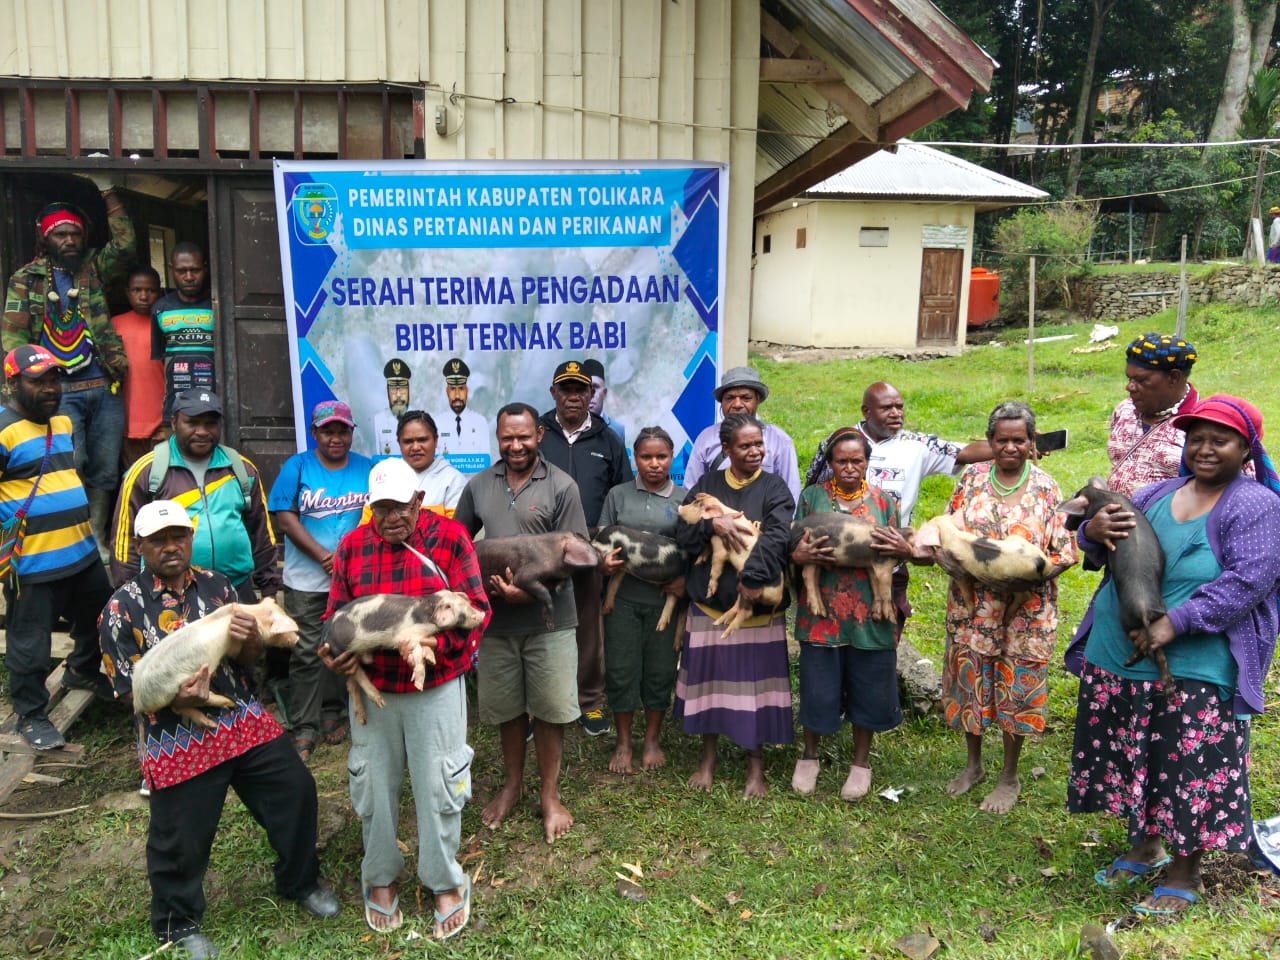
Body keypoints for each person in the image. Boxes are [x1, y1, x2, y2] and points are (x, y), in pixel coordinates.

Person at [1066, 394, 1280, 918]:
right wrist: (1090, 533)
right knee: (1137, 751)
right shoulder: (1156, 492)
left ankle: (1185, 871)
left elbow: (1250, 581)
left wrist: (1174, 623)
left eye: (1219, 440)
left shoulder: (1257, 505)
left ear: (1246, 448)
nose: (1204, 449)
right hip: (1121, 653)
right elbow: (1111, 552)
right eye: (1196, 438)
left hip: (1198, 659)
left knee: (1189, 763)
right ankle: (1146, 845)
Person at [98, 499, 339, 958]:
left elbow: (248, 659)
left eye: (178, 536)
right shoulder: (121, 608)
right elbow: (127, 691)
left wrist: (251, 644)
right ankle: (177, 924)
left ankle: (300, 882)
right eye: (158, 540)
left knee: (295, 790)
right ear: (140, 546)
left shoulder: (218, 586)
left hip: (239, 717)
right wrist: (179, 699)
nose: (171, 546)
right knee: (179, 836)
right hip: (174, 735)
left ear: (191, 538)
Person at [320, 458, 489, 940]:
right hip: (375, 690)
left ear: (419, 500)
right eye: (382, 509)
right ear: (370, 507)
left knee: (439, 785)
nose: (392, 518)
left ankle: (444, 880)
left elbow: (478, 611)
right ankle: (380, 875)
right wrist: (336, 655)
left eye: (401, 507)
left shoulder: (450, 538)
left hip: (435, 686)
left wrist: (431, 649)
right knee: (373, 784)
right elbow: (334, 617)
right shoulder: (353, 546)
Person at [921, 401, 1075, 815]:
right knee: (970, 679)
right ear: (989, 440)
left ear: (1032, 441)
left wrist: (1028, 577)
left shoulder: (1046, 487)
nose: (1010, 447)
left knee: (1016, 684)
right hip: (973, 605)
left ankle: (1009, 775)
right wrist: (947, 561)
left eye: (1019, 440)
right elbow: (947, 530)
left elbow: (1064, 551)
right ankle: (973, 765)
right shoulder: (972, 479)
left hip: (1027, 608)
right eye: (1001, 440)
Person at [453, 402, 588, 843]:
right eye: (507, 437)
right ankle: (512, 786)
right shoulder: (478, 485)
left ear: (539, 435)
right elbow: (458, 545)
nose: (516, 445)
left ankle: (549, 795)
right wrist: (477, 589)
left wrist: (529, 593)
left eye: (524, 437)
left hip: (550, 620)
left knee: (549, 710)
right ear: (497, 438)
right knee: (507, 709)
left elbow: (576, 555)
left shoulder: (562, 486)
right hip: (496, 623)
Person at [2, 178, 133, 556]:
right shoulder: (26, 279)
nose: (70, 241)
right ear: (46, 239)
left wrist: (107, 191)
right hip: (57, 392)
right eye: (61, 235)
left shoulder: (93, 268)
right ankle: (72, 537)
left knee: (105, 468)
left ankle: (97, 539)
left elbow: (125, 245)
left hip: (103, 386)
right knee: (70, 463)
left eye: (75, 234)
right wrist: (23, 389)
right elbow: (13, 340)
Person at [0, 345, 115, 750]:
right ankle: (31, 715)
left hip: (81, 552)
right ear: (12, 384)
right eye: (38, 381)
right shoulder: (3, 431)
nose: (50, 388)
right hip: (32, 563)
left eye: (54, 380)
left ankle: (82, 670)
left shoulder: (62, 422)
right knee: (30, 643)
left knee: (100, 619)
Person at [674, 413, 794, 798]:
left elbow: (777, 539)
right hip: (711, 607)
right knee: (710, 685)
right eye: (745, 446)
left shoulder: (775, 488)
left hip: (756, 611)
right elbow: (682, 532)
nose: (755, 451)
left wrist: (752, 579)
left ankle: (755, 766)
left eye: (759, 444)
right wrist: (711, 526)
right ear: (726, 449)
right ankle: (707, 759)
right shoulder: (707, 485)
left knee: (755, 690)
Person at [789, 427, 901, 801]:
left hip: (869, 613)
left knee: (868, 684)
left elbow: (894, 556)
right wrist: (798, 555)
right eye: (841, 461)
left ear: (867, 462)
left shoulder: (884, 502)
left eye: (857, 461)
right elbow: (795, 542)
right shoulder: (812, 498)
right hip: (821, 611)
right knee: (817, 685)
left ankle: (861, 763)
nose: (849, 467)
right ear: (831, 463)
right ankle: (809, 755)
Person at [831, 382, 991, 641]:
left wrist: (1019, 445)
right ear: (866, 411)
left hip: (890, 560)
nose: (896, 413)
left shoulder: (916, 445)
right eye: (887, 408)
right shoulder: (841, 443)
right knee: (838, 636)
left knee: (883, 637)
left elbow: (964, 452)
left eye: (899, 407)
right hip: (841, 562)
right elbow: (814, 493)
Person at [267, 400, 372, 761]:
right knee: (308, 650)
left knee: (343, 644)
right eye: (328, 431)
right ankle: (305, 724)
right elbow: (285, 517)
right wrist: (324, 557)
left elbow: (377, 516)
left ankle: (334, 711)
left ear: (351, 433)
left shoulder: (366, 468)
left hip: (353, 579)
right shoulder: (297, 467)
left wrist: (347, 561)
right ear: (314, 433)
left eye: (342, 430)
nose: (335, 438)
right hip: (307, 580)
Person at [110, 389, 280, 604]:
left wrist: (269, 592)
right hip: (169, 594)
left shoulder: (241, 469)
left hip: (235, 590)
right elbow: (124, 541)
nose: (202, 431)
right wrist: (130, 597)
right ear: (174, 423)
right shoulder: (147, 472)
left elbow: (262, 534)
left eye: (210, 424)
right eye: (192, 423)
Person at [538, 359, 633, 737]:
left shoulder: (608, 440)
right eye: (567, 389)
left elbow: (622, 497)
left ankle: (589, 702)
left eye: (581, 389)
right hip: (542, 546)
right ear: (554, 393)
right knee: (540, 625)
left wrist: (609, 549)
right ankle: (540, 703)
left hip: (591, 546)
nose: (574, 396)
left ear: (592, 393)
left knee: (589, 628)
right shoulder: (538, 434)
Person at [597, 426, 687, 773]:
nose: (654, 463)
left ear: (672, 457)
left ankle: (651, 740)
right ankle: (623, 742)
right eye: (646, 457)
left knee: (660, 671)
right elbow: (603, 539)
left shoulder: (685, 500)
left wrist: (685, 583)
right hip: (621, 601)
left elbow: (695, 552)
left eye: (661, 456)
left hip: (665, 603)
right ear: (635, 458)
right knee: (621, 669)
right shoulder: (618, 495)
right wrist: (603, 564)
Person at [683, 366, 800, 502]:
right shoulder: (706, 438)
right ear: (722, 402)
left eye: (746, 398)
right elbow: (691, 490)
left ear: (758, 400)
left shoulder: (778, 439)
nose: (737, 404)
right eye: (730, 398)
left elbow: (791, 492)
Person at [1105, 333, 1200, 497]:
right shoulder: (1125, 409)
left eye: (1141, 380)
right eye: (1129, 379)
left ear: (1174, 378)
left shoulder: (1201, 423)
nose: (1130, 387)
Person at [151, 242, 216, 420]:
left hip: (216, 399)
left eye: (195, 270)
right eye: (181, 271)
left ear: (205, 268)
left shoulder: (217, 305)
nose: (189, 277)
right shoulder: (160, 309)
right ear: (171, 269)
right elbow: (161, 359)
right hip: (177, 402)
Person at [111, 265, 166, 468]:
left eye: (150, 290)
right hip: (126, 424)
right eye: (137, 290)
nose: (144, 296)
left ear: (159, 292)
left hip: (161, 424)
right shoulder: (114, 325)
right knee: (133, 478)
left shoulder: (166, 323)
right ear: (127, 292)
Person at [396, 410, 466, 515]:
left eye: (422, 440)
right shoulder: (387, 477)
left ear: (436, 440)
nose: (415, 447)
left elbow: (455, 524)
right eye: (408, 441)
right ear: (399, 444)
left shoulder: (453, 480)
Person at [434, 358, 490, 468]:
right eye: (452, 389)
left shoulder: (480, 423)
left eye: (461, 389)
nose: (457, 395)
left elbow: (485, 465)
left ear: (467, 391)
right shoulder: (436, 423)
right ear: (447, 392)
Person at [370, 358, 412, 457]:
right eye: (393, 389)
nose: (398, 395)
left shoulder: (420, 419)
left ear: (408, 390)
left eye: (402, 388)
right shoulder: (378, 420)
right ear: (387, 391)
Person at [581, 358, 624, 445]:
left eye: (596, 387)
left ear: (604, 393)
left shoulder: (617, 430)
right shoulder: (569, 428)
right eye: (586, 388)